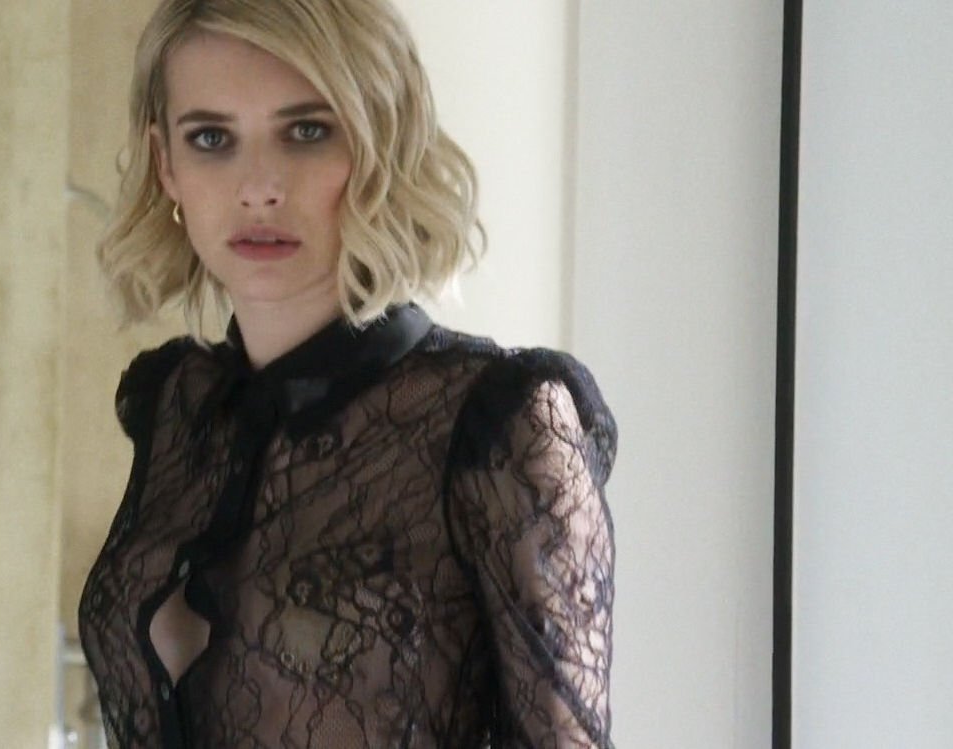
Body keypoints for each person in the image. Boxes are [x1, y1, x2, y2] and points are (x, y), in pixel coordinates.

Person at [78, 1, 618, 746]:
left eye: (306, 131)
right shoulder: (176, 406)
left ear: (380, 140)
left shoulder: (499, 421)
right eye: (211, 138)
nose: (258, 187)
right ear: (165, 162)